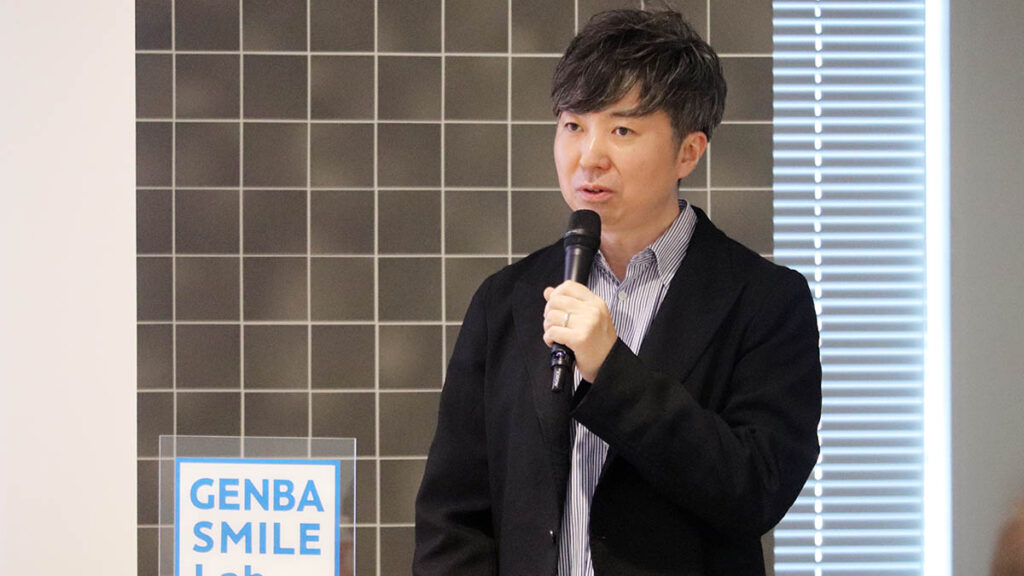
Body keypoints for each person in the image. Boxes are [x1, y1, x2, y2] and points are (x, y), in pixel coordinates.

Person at [414, 8, 821, 575]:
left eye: (622, 130)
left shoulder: (765, 301)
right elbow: (453, 518)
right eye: (573, 125)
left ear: (688, 152)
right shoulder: (506, 299)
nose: (589, 156)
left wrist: (612, 370)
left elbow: (755, 490)